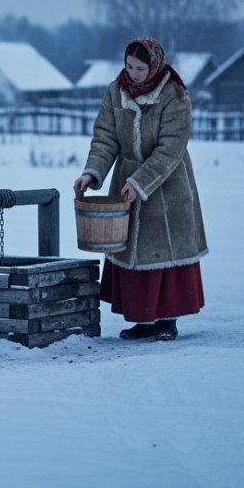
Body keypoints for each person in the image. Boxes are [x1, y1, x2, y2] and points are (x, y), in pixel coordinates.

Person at [73, 36, 207, 341]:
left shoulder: (174, 95)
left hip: (168, 184)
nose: (132, 73)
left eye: (140, 68)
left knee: (164, 252)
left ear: (155, 65)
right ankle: (143, 319)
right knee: (132, 250)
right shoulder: (115, 92)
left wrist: (140, 182)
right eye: (128, 66)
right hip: (126, 184)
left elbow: (171, 148)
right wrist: (91, 173)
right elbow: (105, 138)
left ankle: (168, 320)